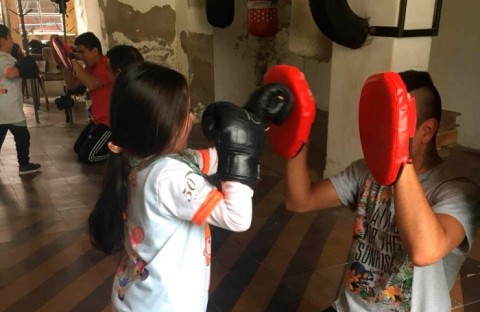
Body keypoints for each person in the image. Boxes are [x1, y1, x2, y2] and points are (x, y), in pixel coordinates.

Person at [284, 70, 480, 311]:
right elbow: (300, 201)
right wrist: (297, 133)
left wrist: (398, 151)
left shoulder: (458, 189)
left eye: (396, 122)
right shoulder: (367, 171)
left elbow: (424, 251)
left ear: (426, 131)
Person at [88, 62, 266, 311]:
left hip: (140, 297)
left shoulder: (138, 157)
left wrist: (253, 123)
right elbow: (238, 217)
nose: (192, 117)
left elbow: (216, 159)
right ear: (160, 125)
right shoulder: (169, 176)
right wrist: (243, 151)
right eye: (186, 111)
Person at [60, 32, 112, 164]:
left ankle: (119, 154)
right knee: (78, 149)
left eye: (82, 52)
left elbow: (92, 84)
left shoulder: (107, 65)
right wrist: (64, 64)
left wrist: (72, 60)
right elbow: (72, 85)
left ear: (94, 51)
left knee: (88, 157)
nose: (81, 56)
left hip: (109, 123)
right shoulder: (90, 67)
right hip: (96, 120)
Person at [0, 24, 41, 175]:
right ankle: (24, 165)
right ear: (1, 40)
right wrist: (23, 64)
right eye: (10, 37)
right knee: (23, 137)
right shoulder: (4, 58)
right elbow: (10, 74)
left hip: (3, 110)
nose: (12, 40)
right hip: (11, 110)